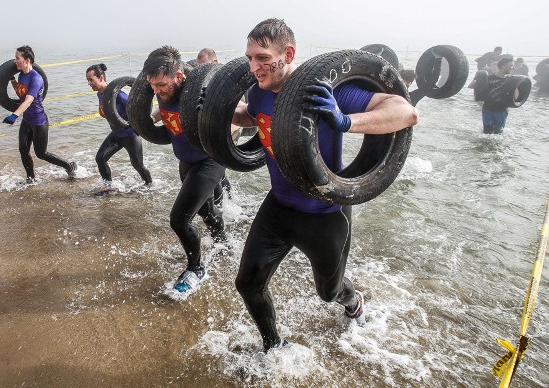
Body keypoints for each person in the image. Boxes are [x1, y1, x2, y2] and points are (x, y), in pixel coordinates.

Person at [229, 18, 418, 352]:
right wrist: (215, 110)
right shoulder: (259, 93)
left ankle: (354, 301)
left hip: (325, 212)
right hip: (279, 207)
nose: (253, 66)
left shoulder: (324, 90)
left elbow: (404, 113)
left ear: (287, 54)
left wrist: (346, 121)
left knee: (327, 293)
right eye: (249, 58)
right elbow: (251, 116)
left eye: (261, 57)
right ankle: (274, 346)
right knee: (247, 284)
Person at [143, 45, 228, 293]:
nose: (157, 90)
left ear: (179, 77)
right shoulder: (162, 91)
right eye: (153, 86)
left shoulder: (200, 93)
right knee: (206, 210)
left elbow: (232, 124)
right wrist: (143, 120)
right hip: (186, 160)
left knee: (179, 220)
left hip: (209, 160)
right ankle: (223, 241)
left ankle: (196, 268)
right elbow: (163, 111)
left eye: (162, 85)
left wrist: (210, 113)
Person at [2, 45, 77, 183]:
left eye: (17, 58)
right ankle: (31, 179)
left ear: (27, 60)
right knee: (23, 150)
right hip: (27, 121)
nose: (15, 61)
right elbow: (21, 92)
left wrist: (14, 115)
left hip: (39, 122)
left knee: (41, 153)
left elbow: (29, 100)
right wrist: (12, 80)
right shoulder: (22, 75)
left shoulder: (36, 78)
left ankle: (69, 166)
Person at [86, 63, 152, 191]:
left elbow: (135, 110)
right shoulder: (100, 94)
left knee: (138, 165)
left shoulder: (118, 95)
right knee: (100, 158)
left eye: (91, 80)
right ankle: (108, 187)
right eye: (87, 80)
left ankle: (150, 185)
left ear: (100, 78)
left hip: (130, 135)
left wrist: (138, 126)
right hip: (116, 134)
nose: (89, 83)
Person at [194, 48, 235, 203]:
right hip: (211, 131)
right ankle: (228, 202)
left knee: (217, 167)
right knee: (219, 173)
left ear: (215, 63)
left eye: (205, 65)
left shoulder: (225, 80)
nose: (201, 70)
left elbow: (240, 108)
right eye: (199, 67)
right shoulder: (203, 81)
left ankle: (223, 204)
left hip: (229, 130)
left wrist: (224, 137)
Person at [469, 56, 518, 134]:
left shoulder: (510, 81)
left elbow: (516, 97)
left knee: (498, 133)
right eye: (511, 66)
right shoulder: (489, 78)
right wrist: (479, 80)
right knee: (487, 133)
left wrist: (515, 87)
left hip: (502, 111)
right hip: (488, 109)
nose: (512, 68)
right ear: (503, 66)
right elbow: (470, 86)